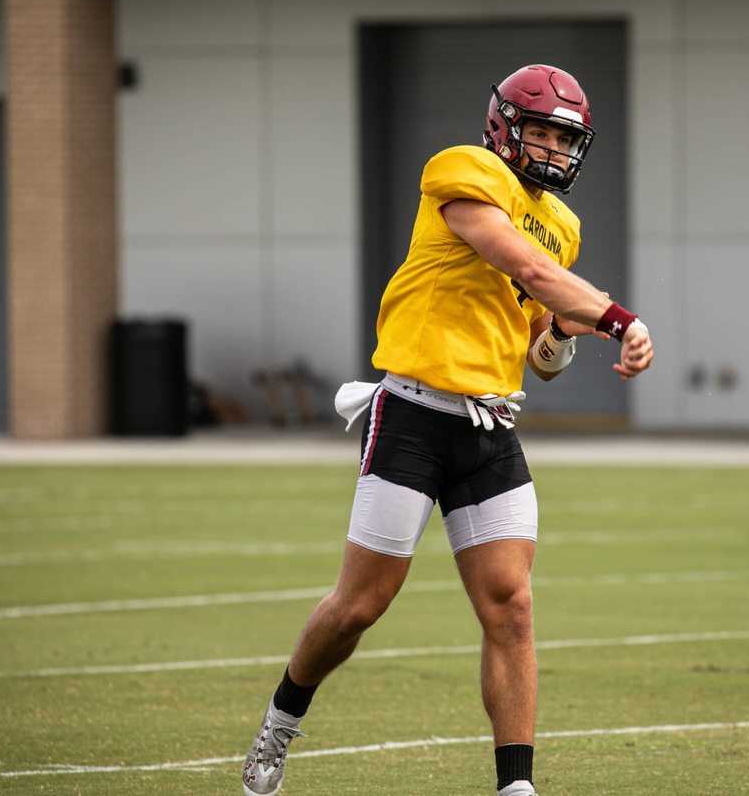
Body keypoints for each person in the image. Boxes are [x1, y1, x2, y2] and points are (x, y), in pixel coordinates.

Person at [242, 64, 655, 796]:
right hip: (414, 415)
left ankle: (516, 787)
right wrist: (615, 316)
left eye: (567, 138)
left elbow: (541, 352)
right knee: (358, 607)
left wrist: (566, 331)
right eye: (543, 133)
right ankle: (281, 719)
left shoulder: (563, 224)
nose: (556, 150)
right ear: (502, 127)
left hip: (491, 426)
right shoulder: (463, 170)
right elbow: (518, 261)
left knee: (513, 607)